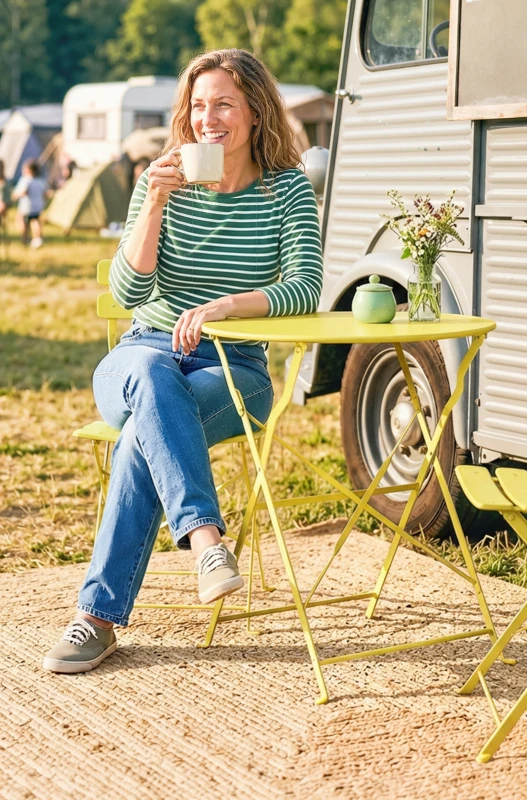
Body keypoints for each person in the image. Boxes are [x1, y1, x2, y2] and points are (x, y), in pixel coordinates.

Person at [43, 48, 323, 674]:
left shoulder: (285, 190)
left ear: (255, 111)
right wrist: (153, 207)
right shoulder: (159, 181)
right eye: (198, 106)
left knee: (146, 432)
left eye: (223, 103)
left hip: (236, 373)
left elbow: (306, 285)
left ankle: (96, 620)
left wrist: (229, 306)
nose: (208, 119)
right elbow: (126, 295)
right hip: (140, 353)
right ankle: (206, 541)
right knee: (148, 377)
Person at [13, 159, 48, 248]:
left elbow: (24, 191)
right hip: (37, 206)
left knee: (23, 223)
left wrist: (16, 195)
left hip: (26, 207)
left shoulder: (26, 180)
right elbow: (45, 193)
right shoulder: (40, 181)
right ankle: (37, 239)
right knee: (35, 222)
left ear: (28, 170)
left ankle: (25, 239)